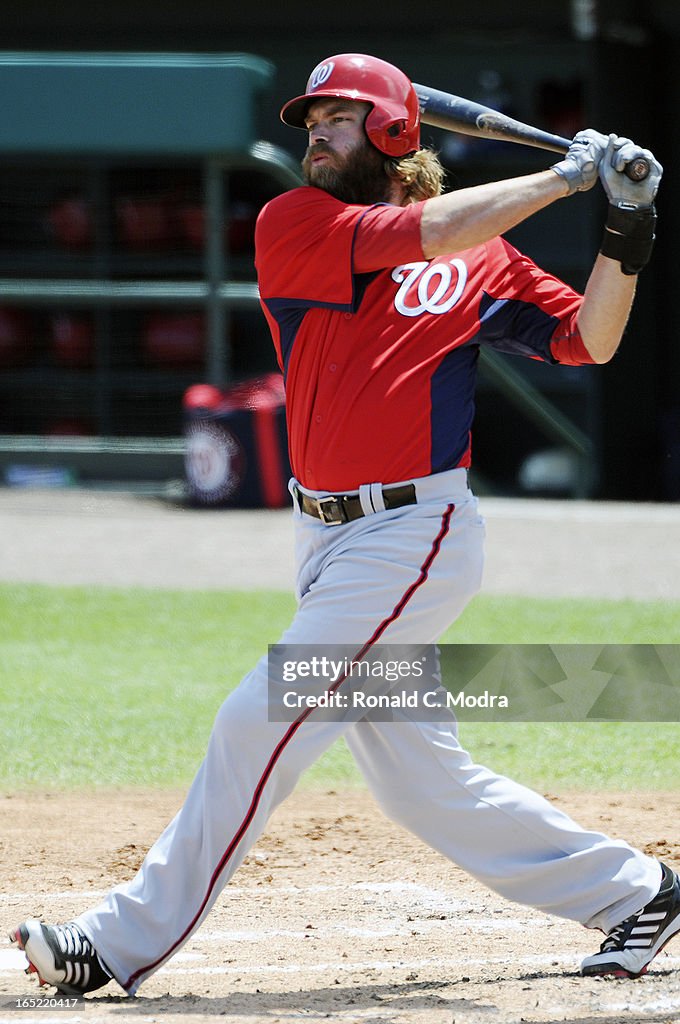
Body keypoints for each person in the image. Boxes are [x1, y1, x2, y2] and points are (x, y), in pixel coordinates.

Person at [11, 52, 678, 997]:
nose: (314, 134)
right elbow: (430, 229)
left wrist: (627, 223)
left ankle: (117, 942)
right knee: (420, 781)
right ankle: (637, 891)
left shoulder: (483, 257)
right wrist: (569, 175)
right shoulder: (296, 221)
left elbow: (593, 338)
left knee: (259, 716)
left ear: (396, 131)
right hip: (325, 540)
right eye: (311, 119)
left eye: (337, 118)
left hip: (415, 535)